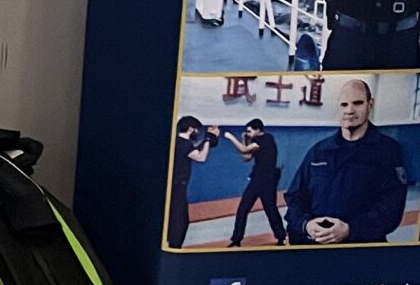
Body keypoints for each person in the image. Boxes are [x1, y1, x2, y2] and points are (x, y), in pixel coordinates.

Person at [284, 79, 411, 245]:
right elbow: (294, 196)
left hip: (361, 250)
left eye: (358, 103)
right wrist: (306, 225)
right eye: (344, 105)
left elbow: (391, 208)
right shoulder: (319, 151)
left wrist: (350, 229)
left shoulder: (387, 150)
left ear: (370, 104)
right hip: (314, 247)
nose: (349, 111)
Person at [219, 118, 288, 247]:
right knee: (243, 208)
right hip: (256, 179)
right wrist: (245, 139)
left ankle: (281, 237)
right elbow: (247, 157)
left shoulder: (266, 139)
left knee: (270, 209)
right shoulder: (256, 141)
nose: (248, 133)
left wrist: (230, 137)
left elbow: (244, 150)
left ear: (258, 130)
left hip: (267, 181)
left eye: (250, 131)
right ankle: (236, 240)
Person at [168, 115, 217, 248]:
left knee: (174, 217)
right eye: (196, 129)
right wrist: (208, 139)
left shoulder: (177, 142)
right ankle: (175, 246)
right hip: (178, 186)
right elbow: (201, 157)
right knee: (180, 220)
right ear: (190, 129)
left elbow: (194, 148)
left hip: (174, 185)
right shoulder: (185, 144)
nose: (198, 132)